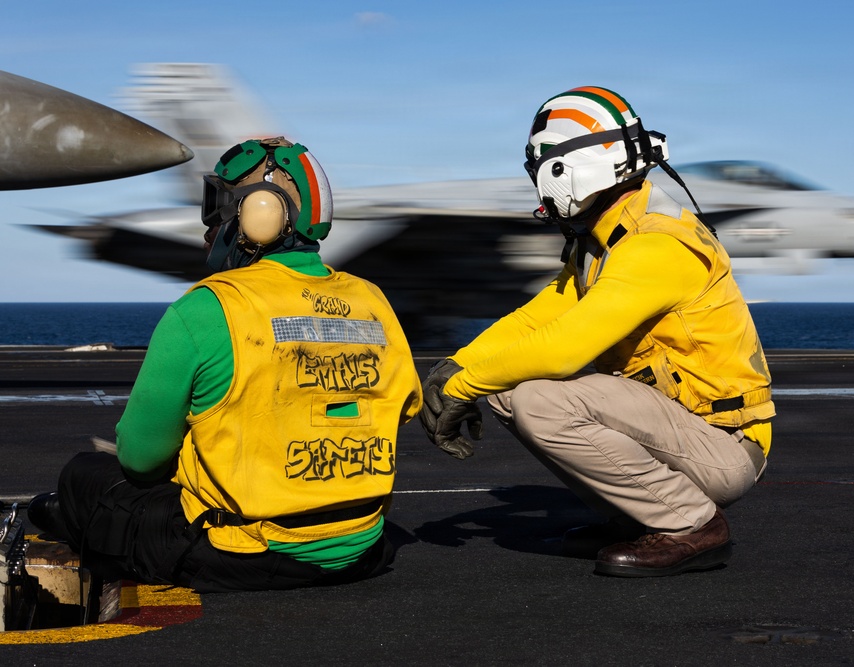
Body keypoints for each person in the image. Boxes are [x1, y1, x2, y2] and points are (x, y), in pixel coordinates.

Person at [28, 137, 421, 592]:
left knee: (84, 476)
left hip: (245, 554)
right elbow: (404, 407)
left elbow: (140, 460)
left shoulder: (209, 307)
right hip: (362, 546)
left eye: (216, 210)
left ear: (259, 213)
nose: (208, 229)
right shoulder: (373, 300)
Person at [419, 87, 774, 577]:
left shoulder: (655, 246)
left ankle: (692, 524)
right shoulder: (603, 242)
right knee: (508, 390)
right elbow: (537, 317)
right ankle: (635, 516)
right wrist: (458, 365)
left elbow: (564, 349)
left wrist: (460, 388)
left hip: (724, 446)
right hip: (684, 431)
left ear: (568, 170)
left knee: (539, 400)